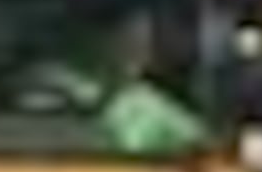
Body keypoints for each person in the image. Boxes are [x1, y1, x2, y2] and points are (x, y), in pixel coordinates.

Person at [13, 10, 209, 157]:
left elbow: (201, 145)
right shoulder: (49, 78)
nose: (139, 49)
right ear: (96, 37)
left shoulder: (147, 102)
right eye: (128, 38)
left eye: (144, 40)